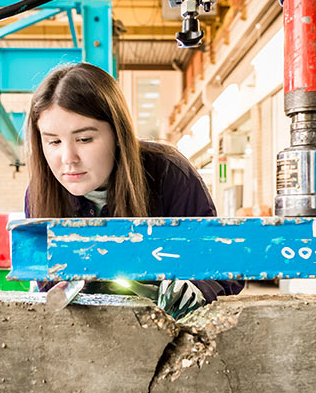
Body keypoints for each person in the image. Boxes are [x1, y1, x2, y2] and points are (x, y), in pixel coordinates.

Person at [25, 62, 244, 318]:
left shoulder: (170, 175)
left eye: (84, 139)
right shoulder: (40, 194)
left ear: (118, 134)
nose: (68, 157)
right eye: (53, 141)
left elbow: (222, 262)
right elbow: (47, 281)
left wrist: (198, 288)